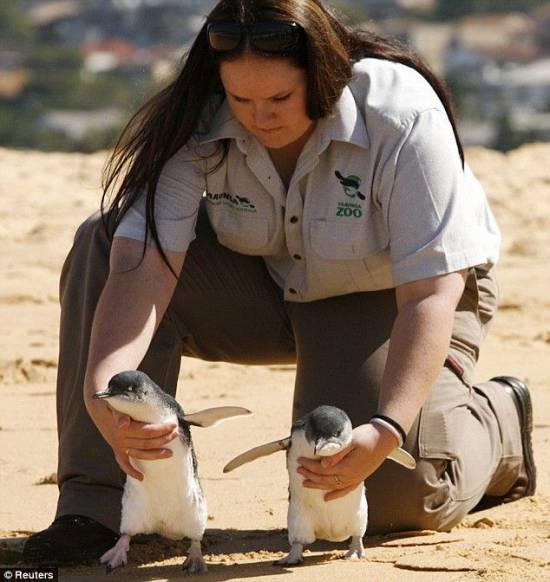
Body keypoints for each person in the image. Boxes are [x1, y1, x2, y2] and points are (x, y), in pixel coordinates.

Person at [23, 0, 536, 565]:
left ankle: (500, 422)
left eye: (279, 99)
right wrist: (101, 393)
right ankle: (98, 505)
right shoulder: (195, 114)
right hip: (263, 279)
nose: (257, 117)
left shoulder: (401, 110)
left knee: (387, 493)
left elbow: (429, 293)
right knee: (106, 237)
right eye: (240, 99)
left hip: (394, 296)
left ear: (324, 78)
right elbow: (144, 263)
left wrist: (388, 429)